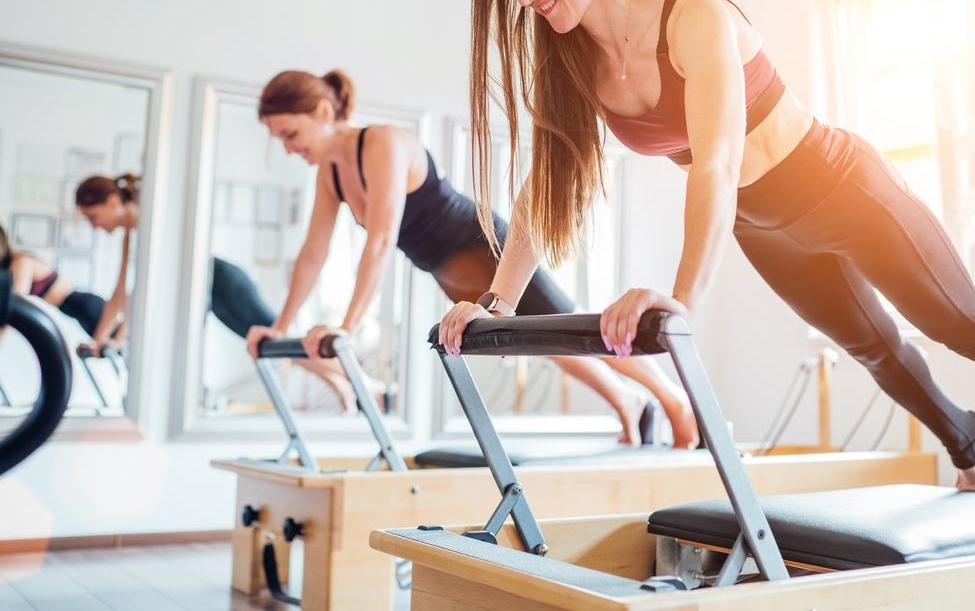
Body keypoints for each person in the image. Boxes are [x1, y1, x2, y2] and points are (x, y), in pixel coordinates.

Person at [437, 0, 975, 508]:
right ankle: (967, 440)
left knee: (960, 325)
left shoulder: (692, 14)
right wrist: (496, 303)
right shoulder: (572, 59)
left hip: (843, 187)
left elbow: (715, 163)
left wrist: (678, 302)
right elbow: (545, 186)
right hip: (761, 225)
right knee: (873, 350)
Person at [248, 69, 697, 445]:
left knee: (565, 321)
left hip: (485, 245)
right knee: (545, 343)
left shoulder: (383, 143)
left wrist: (346, 329)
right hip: (448, 269)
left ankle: (670, 395)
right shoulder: (332, 176)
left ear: (323, 113)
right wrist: (280, 326)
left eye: (291, 133)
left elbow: (381, 241)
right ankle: (628, 400)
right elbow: (313, 254)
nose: (289, 148)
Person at [73, 175, 277, 354]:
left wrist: (120, 338)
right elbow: (119, 293)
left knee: (276, 340)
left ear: (113, 202)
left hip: (222, 281)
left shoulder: (151, 222)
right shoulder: (129, 236)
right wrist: (99, 340)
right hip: (208, 293)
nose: (93, 225)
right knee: (260, 343)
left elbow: (141, 290)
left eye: (93, 216)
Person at [0, 222, 107, 339]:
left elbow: (14, 305)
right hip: (73, 313)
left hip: (86, 306)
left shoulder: (21, 262)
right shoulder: (8, 270)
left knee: (121, 342)